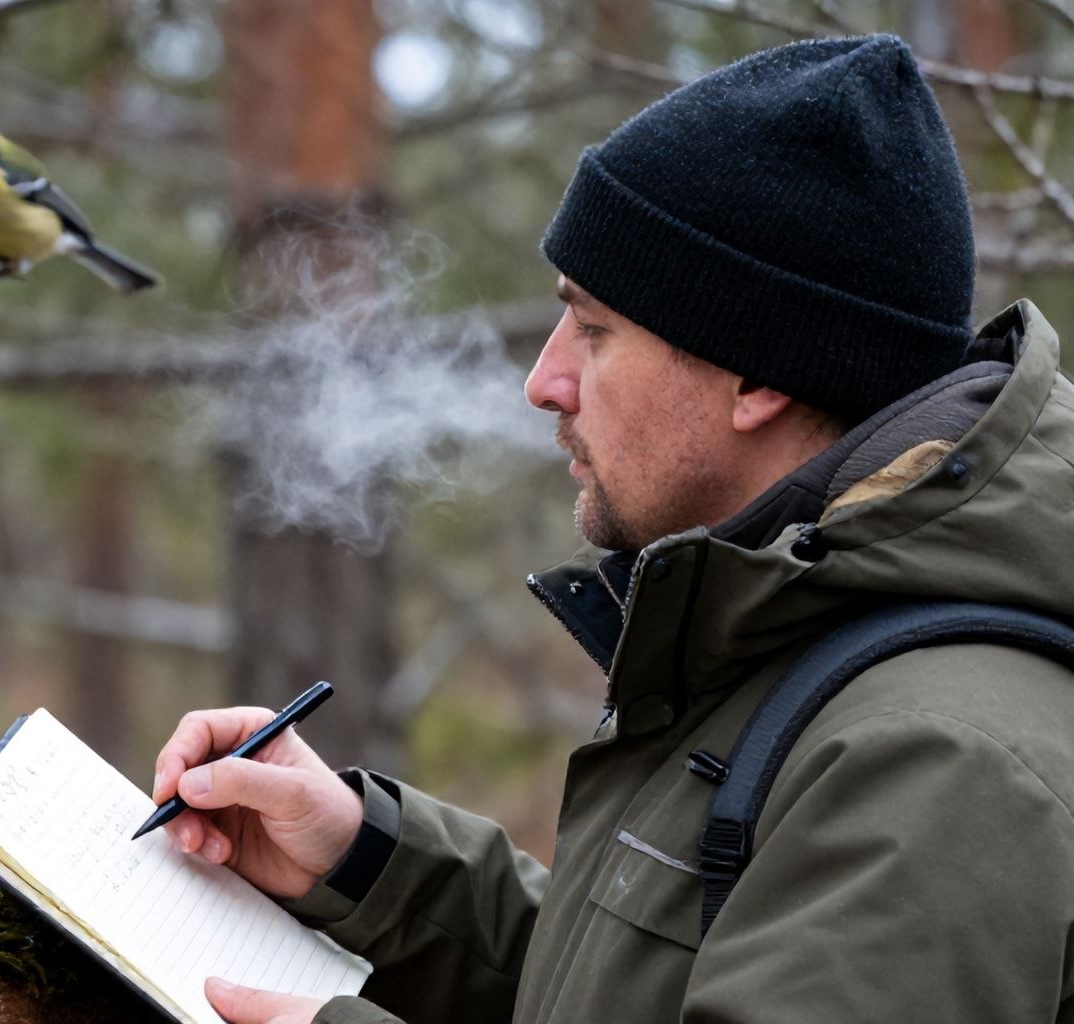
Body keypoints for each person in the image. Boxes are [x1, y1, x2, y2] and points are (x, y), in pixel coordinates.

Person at [152, 34, 1074, 1023]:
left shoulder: (938, 767)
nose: (543, 382)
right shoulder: (801, 631)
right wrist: (367, 860)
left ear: (755, 372)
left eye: (593, 330)